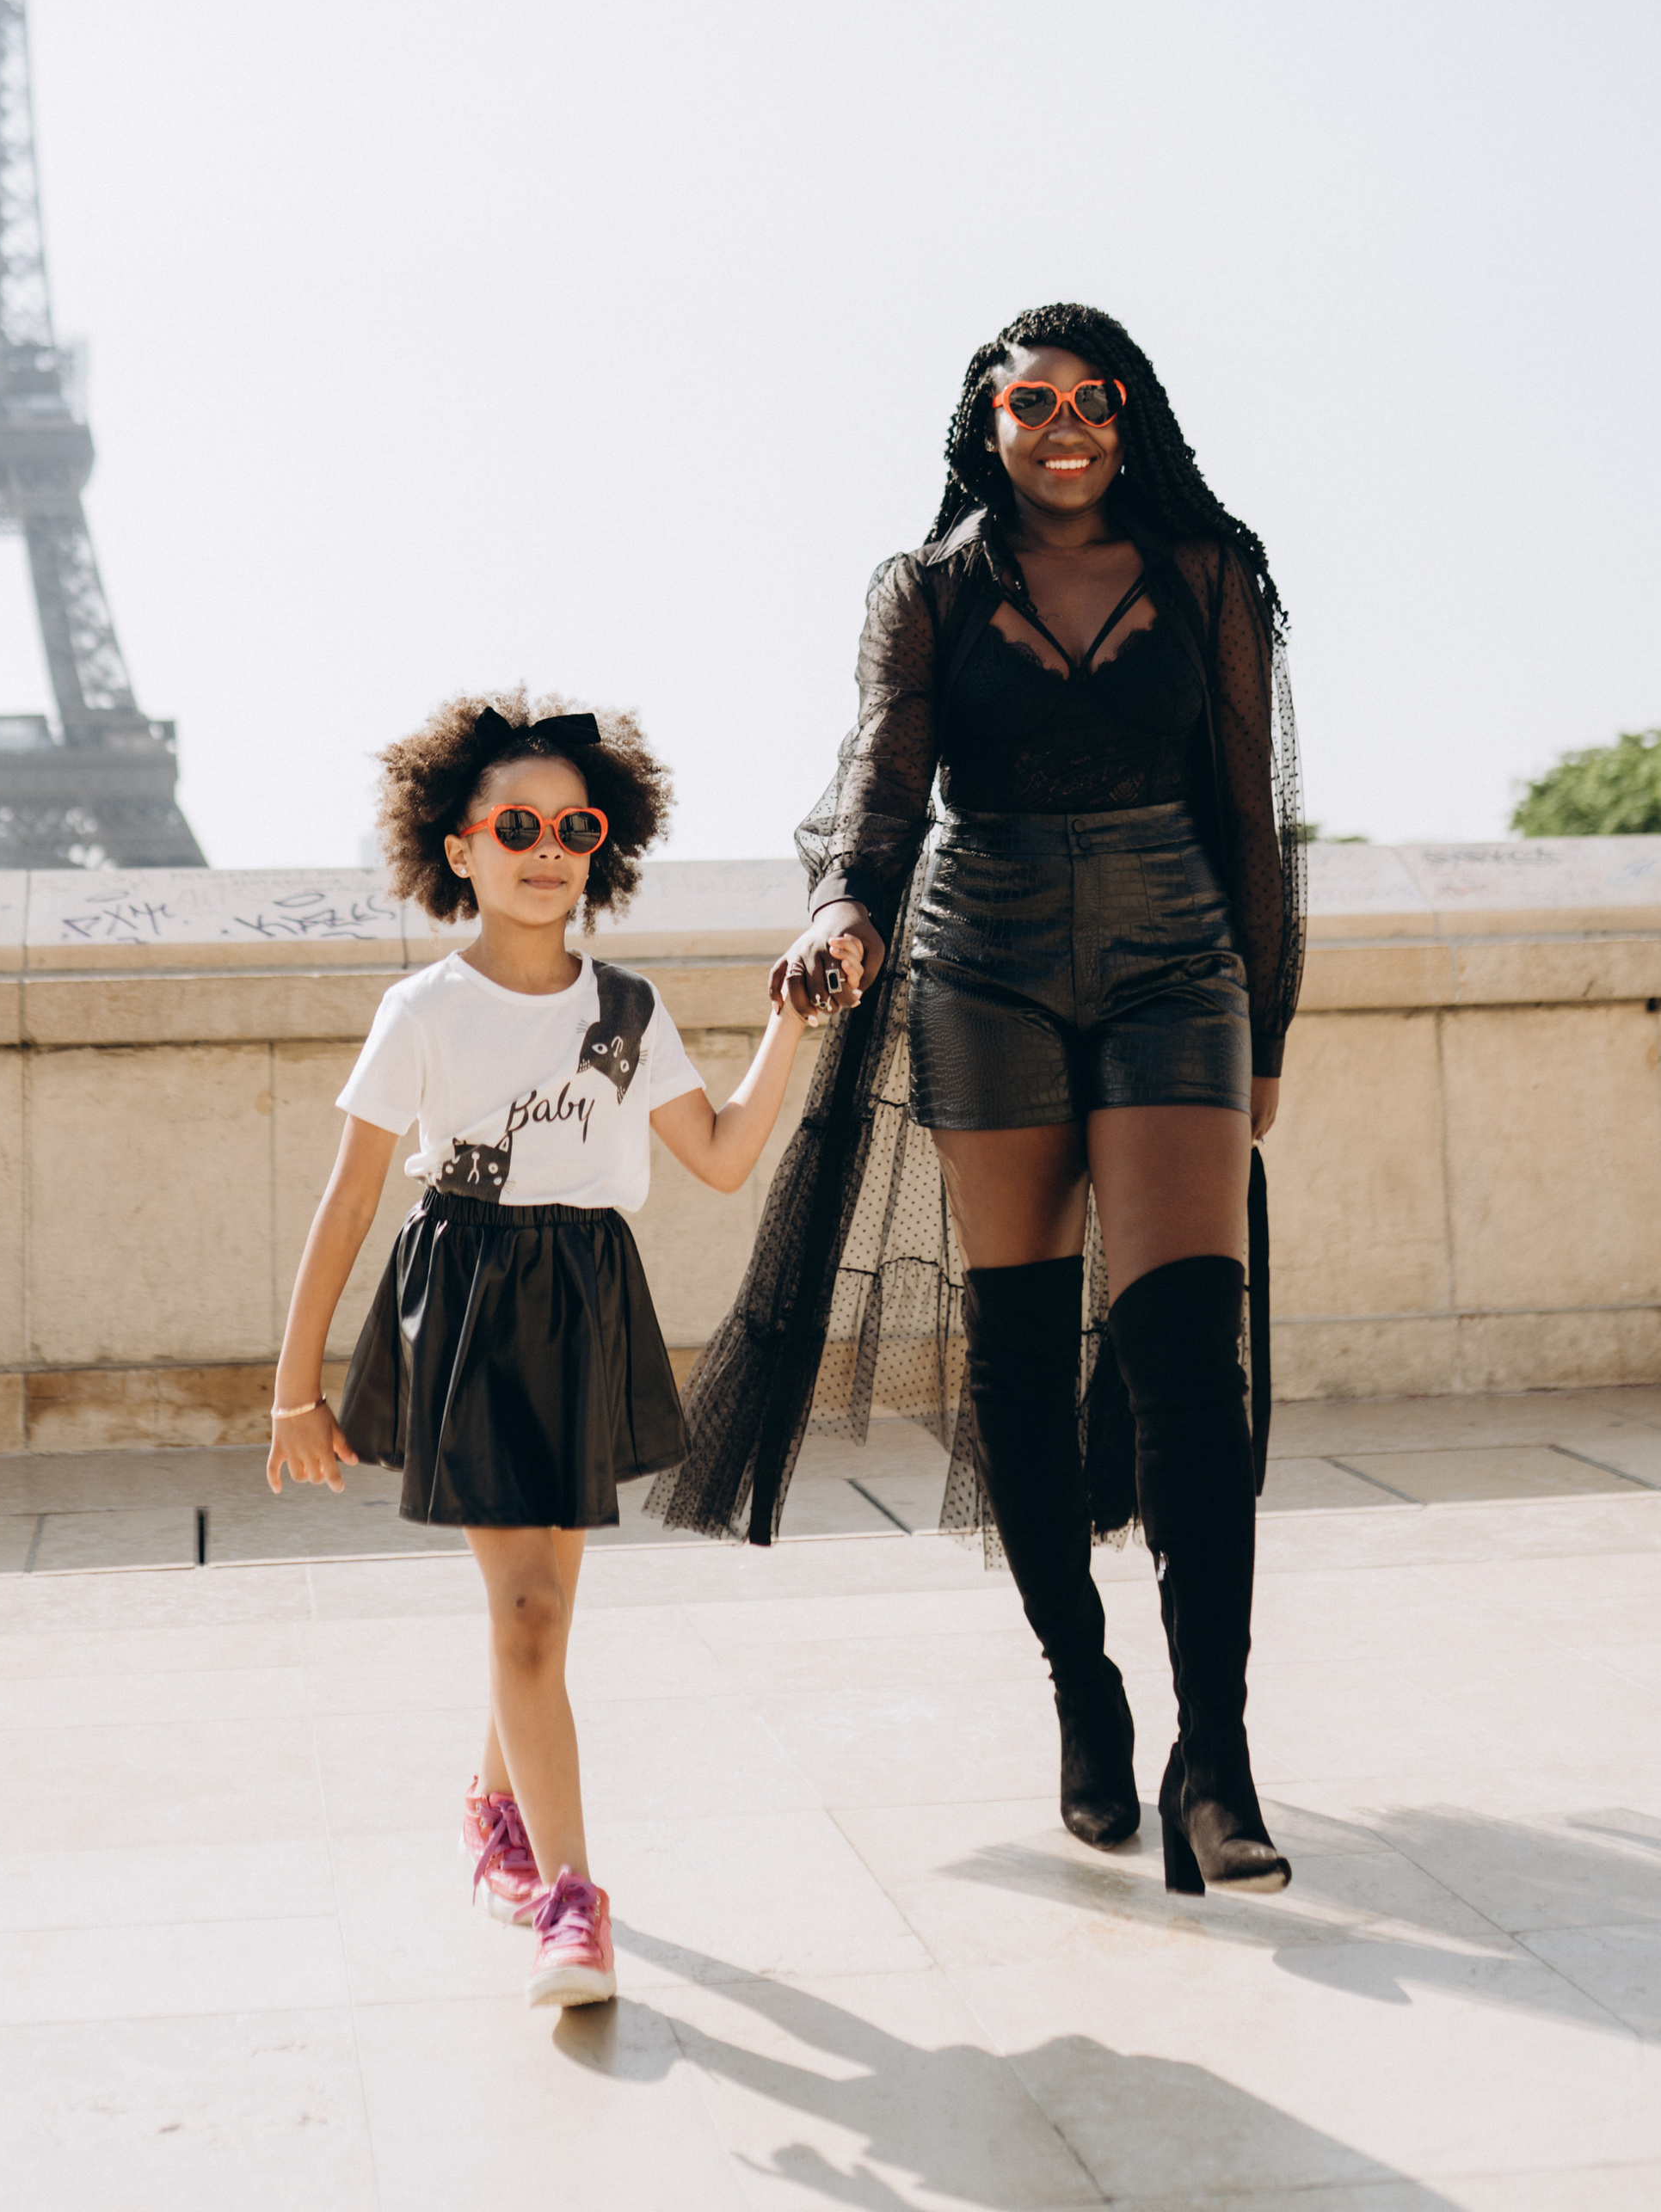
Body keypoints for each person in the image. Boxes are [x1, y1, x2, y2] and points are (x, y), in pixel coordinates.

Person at [656, 304, 1304, 1899]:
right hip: (985, 951)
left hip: (1177, 956)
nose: (1066, 426)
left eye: (1096, 399)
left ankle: (1215, 1755)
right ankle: (1084, 1691)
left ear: (1134, 417)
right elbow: (885, 781)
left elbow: (1256, 812)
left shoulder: (1211, 574)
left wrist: (1265, 1027)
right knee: (1015, 1344)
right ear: (988, 422)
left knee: (1187, 1354)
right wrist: (838, 911)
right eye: (1035, 403)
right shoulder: (929, 589)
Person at [267, 691, 850, 2006]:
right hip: (467, 1301)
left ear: (604, 844)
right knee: (527, 1612)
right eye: (515, 826)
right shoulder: (421, 1010)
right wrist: (293, 1393)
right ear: (458, 848)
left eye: (573, 827)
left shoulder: (626, 1009)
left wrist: (790, 1025)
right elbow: (349, 1203)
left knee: (543, 1617)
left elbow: (722, 1155)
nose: (547, 850)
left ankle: (495, 1811)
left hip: (584, 1297)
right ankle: (574, 1903)